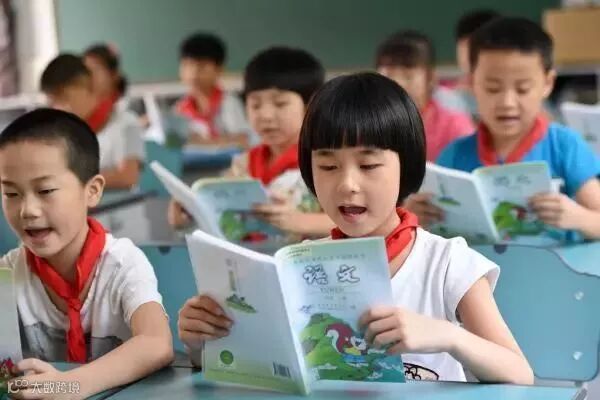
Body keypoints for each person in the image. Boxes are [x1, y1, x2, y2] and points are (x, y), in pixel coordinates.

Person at [176, 72, 533, 384]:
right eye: (328, 167)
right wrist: (201, 343)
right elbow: (252, 367)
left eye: (368, 165)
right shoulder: (297, 265)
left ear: (407, 166)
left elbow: (519, 372)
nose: (347, 184)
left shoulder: (447, 262)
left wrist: (447, 336)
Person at [0, 109, 173, 399]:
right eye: (11, 194)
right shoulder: (8, 272)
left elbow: (156, 342)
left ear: (92, 191)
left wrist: (70, 385)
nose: (28, 210)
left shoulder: (122, 263)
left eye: (45, 190)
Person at [412, 17, 600, 241]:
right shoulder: (454, 156)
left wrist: (577, 217)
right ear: (472, 83)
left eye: (522, 89)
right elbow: (430, 237)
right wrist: (416, 217)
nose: (507, 102)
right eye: (493, 88)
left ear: (547, 84)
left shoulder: (564, 145)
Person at [169, 47, 334, 239]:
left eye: (280, 104)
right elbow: (221, 219)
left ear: (310, 106)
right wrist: (189, 216)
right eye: (255, 105)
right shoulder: (243, 165)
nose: (265, 115)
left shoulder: (326, 162)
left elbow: (357, 220)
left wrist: (301, 221)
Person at [40, 54, 145, 190]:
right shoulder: (66, 133)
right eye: (53, 102)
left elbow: (127, 177)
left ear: (88, 87)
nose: (60, 108)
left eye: (65, 98)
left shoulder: (126, 123)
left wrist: (72, 180)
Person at [376, 30, 474, 161]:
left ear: (430, 77)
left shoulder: (454, 126)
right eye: (388, 76)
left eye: (408, 76)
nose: (398, 84)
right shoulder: (367, 123)